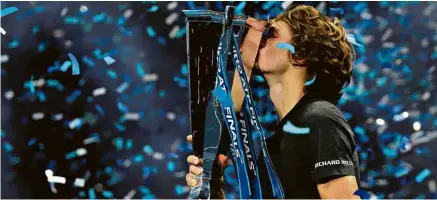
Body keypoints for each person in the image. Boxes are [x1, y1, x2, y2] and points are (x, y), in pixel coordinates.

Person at [186, 4, 361, 199]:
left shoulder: (319, 119)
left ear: (300, 54)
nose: (259, 40)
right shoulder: (275, 142)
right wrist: (213, 187)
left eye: (271, 34)